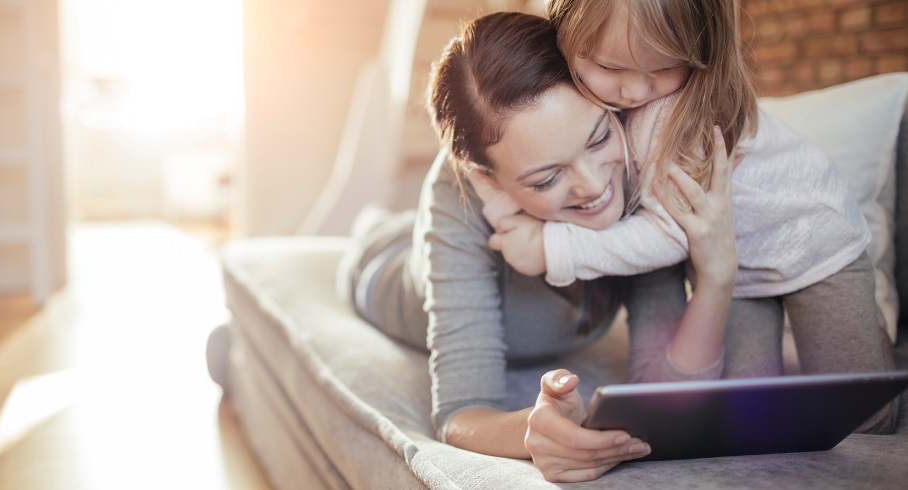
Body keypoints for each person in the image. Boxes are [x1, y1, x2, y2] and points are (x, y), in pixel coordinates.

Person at [338, 11, 737, 482]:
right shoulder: (459, 193)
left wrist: (716, 279)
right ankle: (374, 226)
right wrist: (532, 430)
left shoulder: (638, 154)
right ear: (488, 180)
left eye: (598, 137)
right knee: (375, 237)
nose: (594, 186)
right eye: (547, 177)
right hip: (386, 269)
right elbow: (460, 412)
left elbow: (668, 389)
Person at [481, 0, 898, 434]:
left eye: (663, 68)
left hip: (813, 243)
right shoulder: (578, 105)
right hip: (737, 268)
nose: (635, 91)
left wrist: (555, 248)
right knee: (748, 410)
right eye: (611, 66)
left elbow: (673, 236)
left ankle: (871, 331)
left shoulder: (672, 118)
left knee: (867, 418)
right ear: (567, 33)